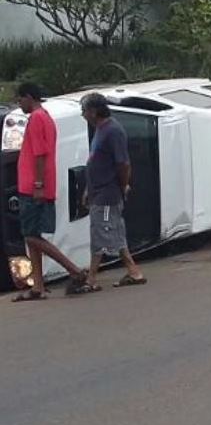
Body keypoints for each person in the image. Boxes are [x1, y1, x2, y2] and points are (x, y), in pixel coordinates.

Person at [12, 82, 87, 301]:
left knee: (31, 236)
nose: (19, 103)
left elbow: (40, 154)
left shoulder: (36, 119)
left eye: (20, 99)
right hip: (39, 185)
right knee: (33, 236)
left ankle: (74, 270)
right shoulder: (46, 117)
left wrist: (37, 184)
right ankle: (38, 285)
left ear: (29, 97)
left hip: (33, 187)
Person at [81, 92, 146, 290]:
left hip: (108, 192)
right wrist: (87, 189)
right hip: (98, 191)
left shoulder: (113, 131)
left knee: (102, 232)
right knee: (112, 229)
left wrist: (123, 184)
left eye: (84, 111)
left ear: (93, 112)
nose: (83, 115)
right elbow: (95, 162)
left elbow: (123, 163)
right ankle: (133, 271)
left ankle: (91, 278)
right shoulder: (101, 131)